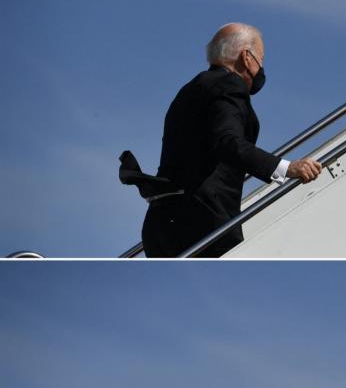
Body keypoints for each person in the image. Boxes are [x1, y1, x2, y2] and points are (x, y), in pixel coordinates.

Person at [123, 23, 324, 257]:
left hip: (159, 224)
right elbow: (227, 142)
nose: (261, 69)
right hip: (201, 222)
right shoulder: (229, 86)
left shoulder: (190, 90)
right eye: (261, 60)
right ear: (246, 57)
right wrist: (287, 168)